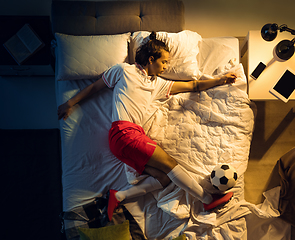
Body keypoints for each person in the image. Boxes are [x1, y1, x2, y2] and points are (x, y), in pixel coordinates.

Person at [58, 32, 237, 221]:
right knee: (170, 164)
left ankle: (118, 196)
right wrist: (70, 103)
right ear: (151, 59)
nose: (166, 66)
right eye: (164, 61)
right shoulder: (123, 71)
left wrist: (220, 80)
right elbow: (95, 87)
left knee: (164, 178)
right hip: (124, 134)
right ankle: (207, 199)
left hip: (127, 141)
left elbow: (192, 86)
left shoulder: (157, 84)